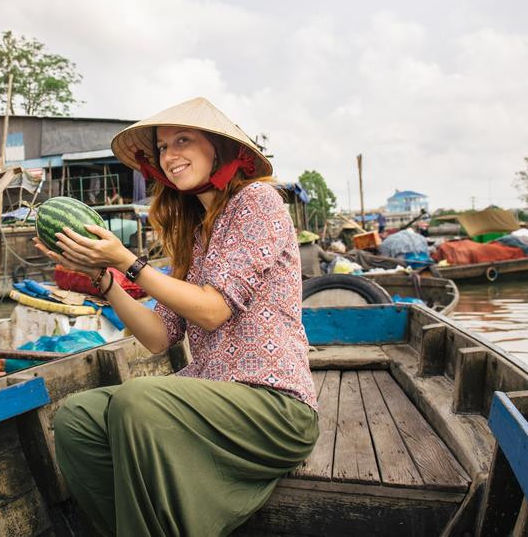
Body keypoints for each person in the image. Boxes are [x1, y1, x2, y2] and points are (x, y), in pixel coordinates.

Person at [35, 97, 319, 536]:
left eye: (182, 141)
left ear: (220, 149)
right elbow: (157, 335)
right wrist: (103, 277)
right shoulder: (196, 231)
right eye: (163, 147)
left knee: (137, 401)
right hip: (211, 399)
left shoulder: (258, 201)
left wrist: (128, 261)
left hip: (275, 407)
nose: (169, 156)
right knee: (78, 418)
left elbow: (211, 311)